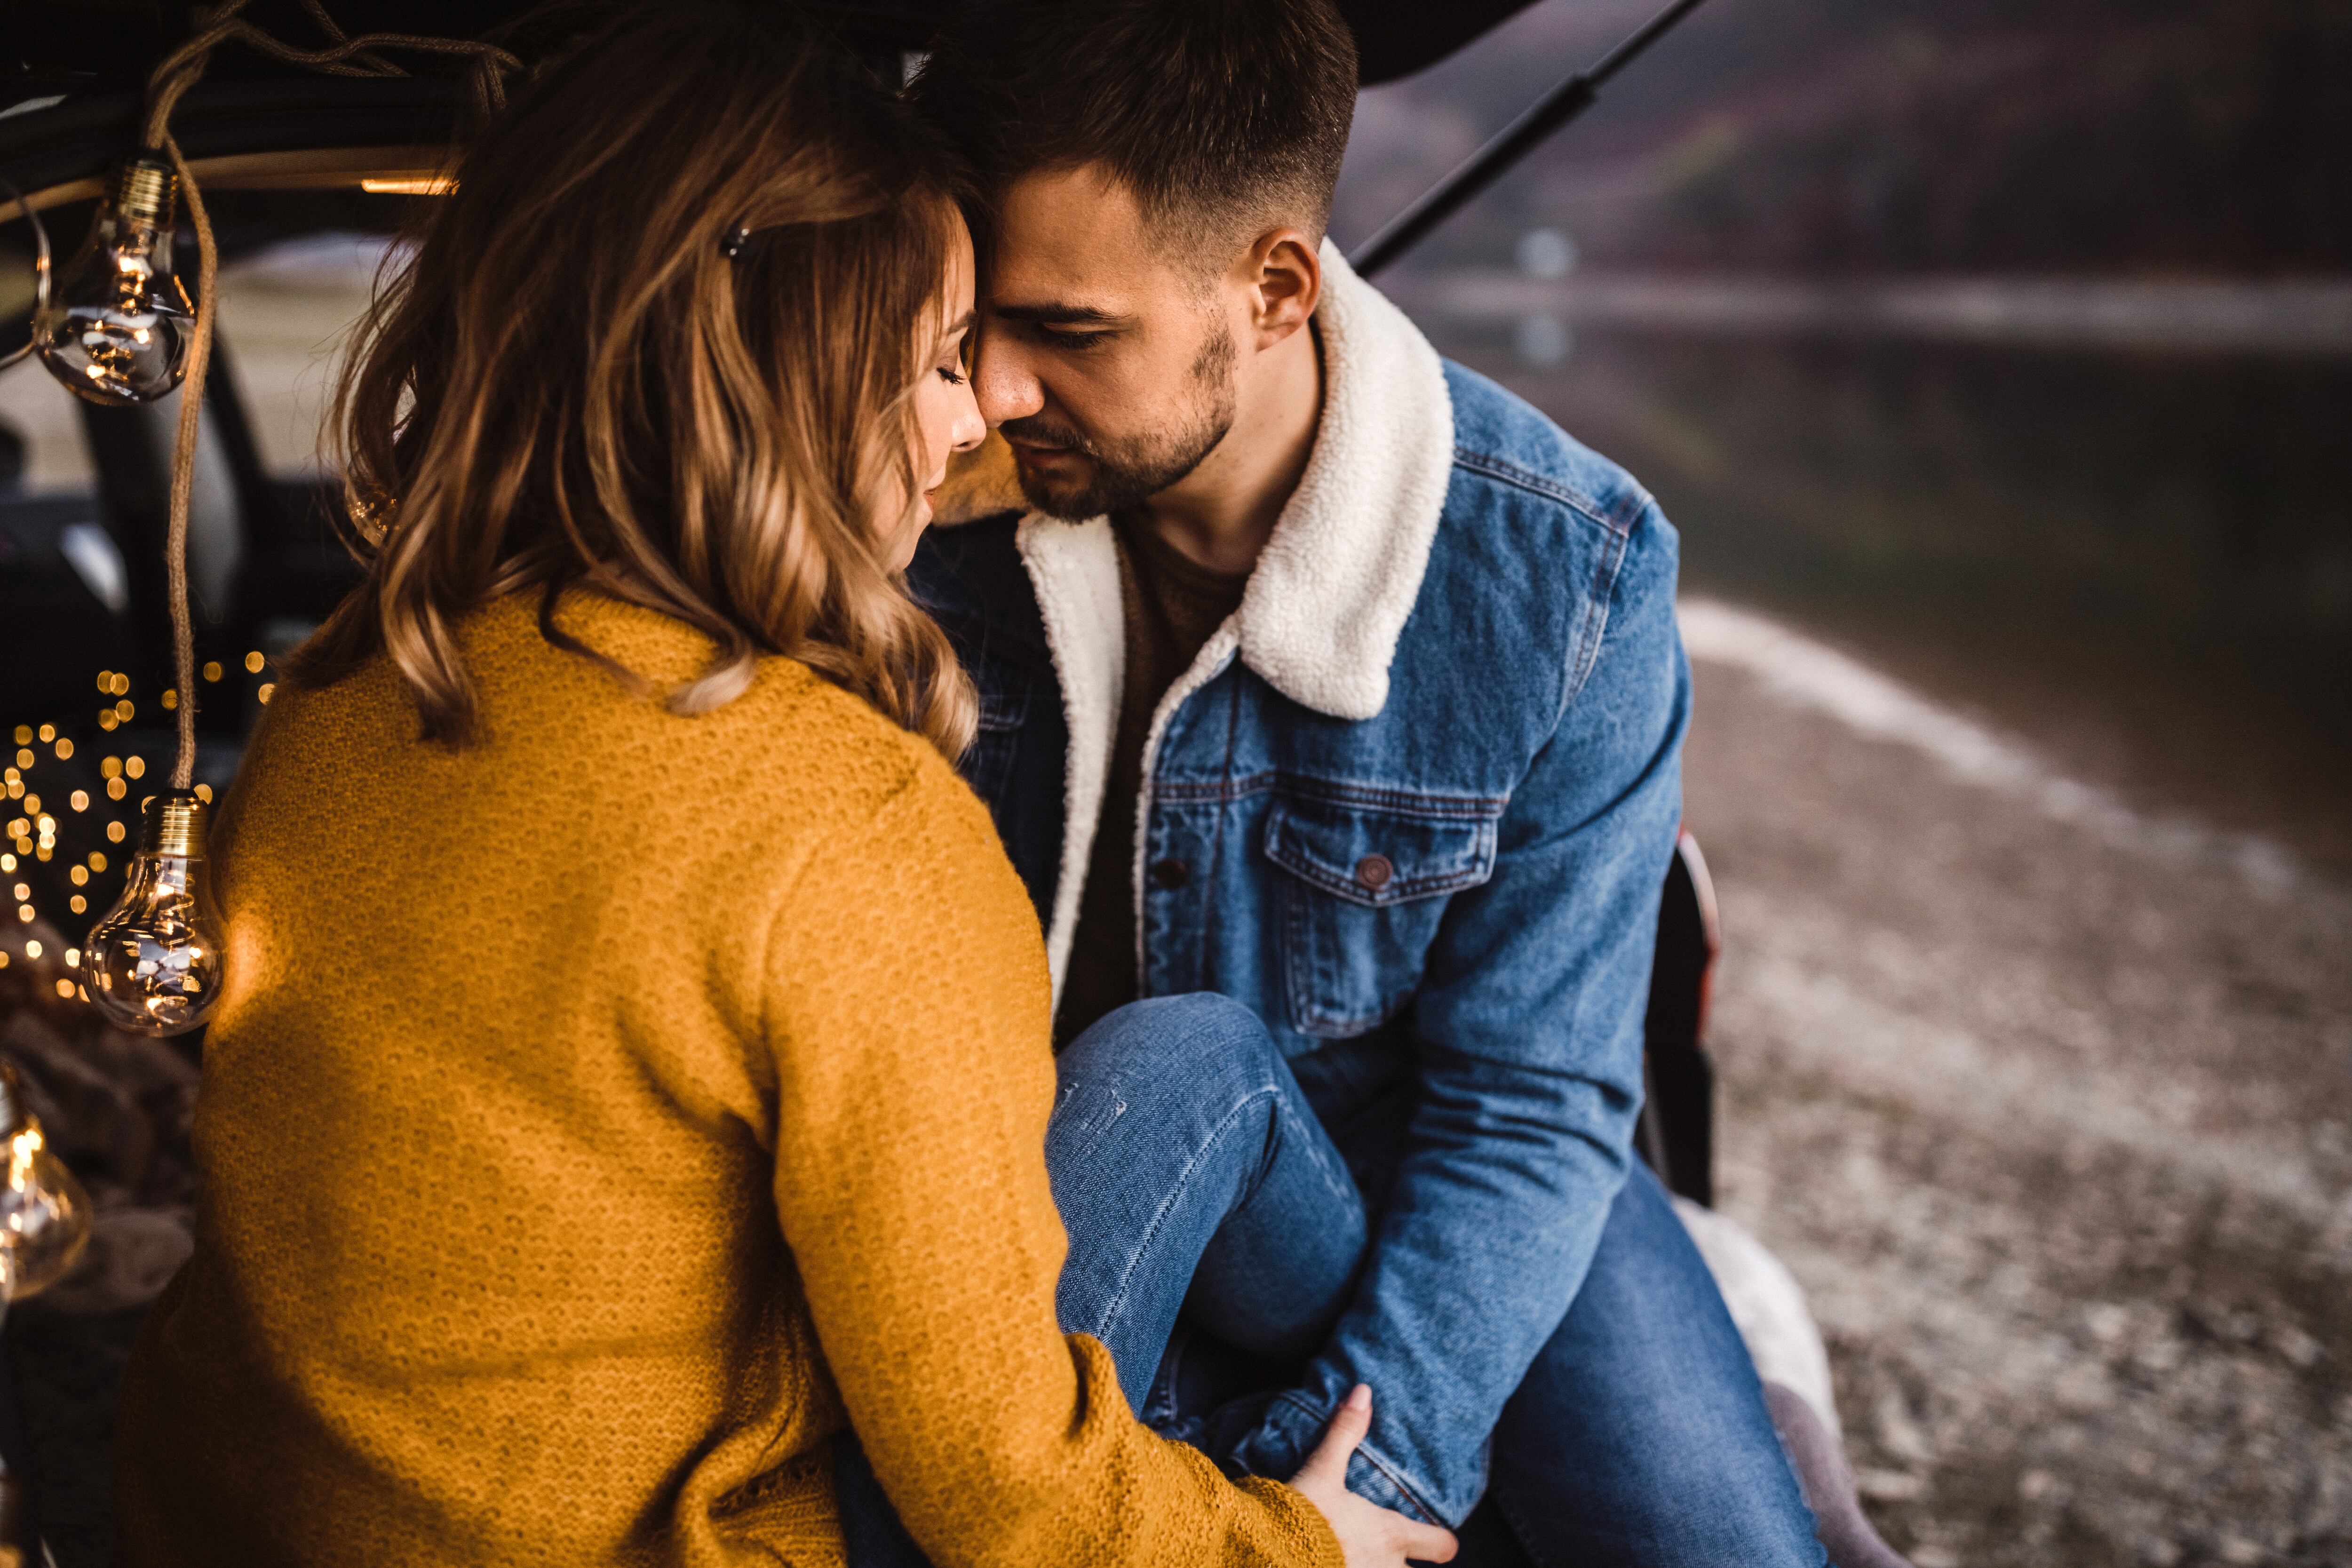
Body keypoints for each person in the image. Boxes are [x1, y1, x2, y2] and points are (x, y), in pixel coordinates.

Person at [107, 8, 1452, 1566]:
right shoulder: (843, 828)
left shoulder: (342, 692)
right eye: (946, 358)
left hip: (227, 1515)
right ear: (797, 374)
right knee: (1193, 1067)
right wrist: (1293, 1547)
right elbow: (1001, 1490)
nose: (972, 425)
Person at [885, 0, 1844, 1562]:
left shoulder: (1570, 576)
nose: (991, 390)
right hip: (1088, 1156)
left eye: (1068, 334)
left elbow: (1533, 1111)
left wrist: (1367, 1473)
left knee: (1723, 1542)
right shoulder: (912, 507)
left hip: (1457, 1169)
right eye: (975, 325)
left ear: (1273, 289)